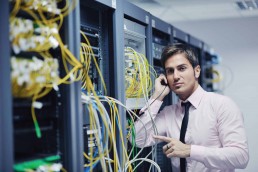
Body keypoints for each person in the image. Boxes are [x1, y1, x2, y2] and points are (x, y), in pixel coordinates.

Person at [133, 43, 249, 172]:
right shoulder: (169, 113)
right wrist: (156, 97)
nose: (176, 76)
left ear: (197, 71)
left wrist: (189, 151)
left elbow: (241, 157)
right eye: (170, 71)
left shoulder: (222, 105)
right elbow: (138, 140)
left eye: (182, 68)